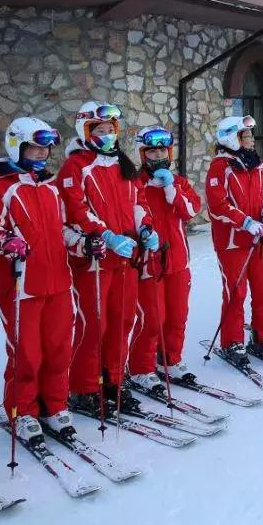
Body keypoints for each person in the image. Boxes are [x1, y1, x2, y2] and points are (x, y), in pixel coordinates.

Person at [0, 117, 87, 442]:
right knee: (27, 353)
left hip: (59, 283)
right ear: (17, 145)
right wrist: (5, 241)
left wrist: (82, 241)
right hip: (21, 285)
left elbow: (63, 229)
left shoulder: (51, 187)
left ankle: (54, 405)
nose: (41, 153)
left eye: (45, 147)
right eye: (35, 147)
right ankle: (22, 410)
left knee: (59, 349)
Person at [57, 101, 159, 418]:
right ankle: (85, 387)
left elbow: (138, 201)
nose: (107, 135)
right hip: (97, 259)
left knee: (123, 320)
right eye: (99, 130)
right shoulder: (75, 167)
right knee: (94, 323)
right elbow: (76, 209)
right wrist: (107, 236)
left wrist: (145, 228)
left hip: (126, 257)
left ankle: (113, 380)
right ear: (85, 131)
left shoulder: (121, 164)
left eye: (110, 129)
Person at [127, 126, 202, 393]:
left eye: (162, 150)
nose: (157, 155)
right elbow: (131, 216)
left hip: (178, 261)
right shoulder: (136, 184)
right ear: (142, 154)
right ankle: (140, 368)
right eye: (151, 151)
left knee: (177, 315)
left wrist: (171, 188)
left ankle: (170, 359)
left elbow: (192, 209)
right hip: (150, 262)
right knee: (152, 318)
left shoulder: (179, 182)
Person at [205, 115, 263, 365]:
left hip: (257, 239)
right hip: (232, 242)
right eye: (244, 136)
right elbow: (217, 205)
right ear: (230, 138)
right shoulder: (221, 167)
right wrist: (245, 222)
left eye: (250, 136)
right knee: (236, 292)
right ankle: (232, 341)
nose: (250, 140)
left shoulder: (256, 165)